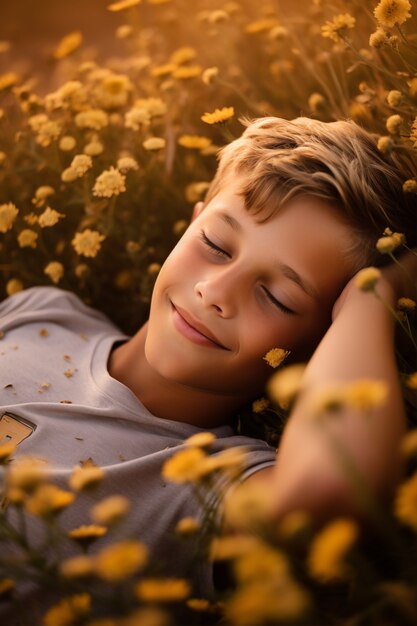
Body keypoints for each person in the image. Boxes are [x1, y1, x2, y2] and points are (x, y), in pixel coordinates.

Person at [0, 116, 416, 622]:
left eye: (277, 298)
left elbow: (332, 487)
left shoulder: (214, 482)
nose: (215, 292)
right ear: (192, 220)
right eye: (216, 245)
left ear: (320, 344)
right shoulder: (43, 312)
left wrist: (371, 299)